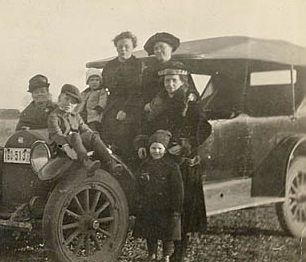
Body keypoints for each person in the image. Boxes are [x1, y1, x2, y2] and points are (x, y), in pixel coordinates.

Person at [144, 61, 212, 262]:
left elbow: (204, 129)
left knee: (184, 210)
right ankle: (165, 254)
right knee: (167, 209)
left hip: (185, 164)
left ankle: (180, 255)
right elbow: (149, 126)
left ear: (182, 81)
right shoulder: (159, 103)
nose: (170, 84)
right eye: (167, 80)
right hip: (164, 163)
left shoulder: (190, 103)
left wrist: (185, 146)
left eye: (174, 80)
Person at [48, 84, 122, 175]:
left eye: (73, 102)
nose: (69, 104)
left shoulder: (75, 115)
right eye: (66, 99)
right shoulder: (54, 116)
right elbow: (56, 135)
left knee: (92, 135)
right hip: (61, 146)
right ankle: (86, 162)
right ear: (60, 99)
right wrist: (67, 149)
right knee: (75, 135)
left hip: (78, 144)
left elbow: (85, 130)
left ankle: (110, 162)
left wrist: (102, 145)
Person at [135, 129, 183, 262]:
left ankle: (166, 256)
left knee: (168, 234)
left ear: (165, 149)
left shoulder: (172, 167)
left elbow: (178, 189)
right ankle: (152, 255)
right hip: (150, 205)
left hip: (166, 207)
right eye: (153, 148)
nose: (156, 151)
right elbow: (139, 184)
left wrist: (176, 209)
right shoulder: (146, 164)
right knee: (151, 233)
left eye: (159, 148)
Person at [100, 31, 144, 161]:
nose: (123, 49)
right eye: (120, 47)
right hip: (113, 102)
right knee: (106, 132)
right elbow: (104, 85)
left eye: (127, 46)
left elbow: (137, 90)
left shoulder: (137, 64)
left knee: (125, 134)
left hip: (132, 103)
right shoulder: (110, 65)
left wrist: (126, 109)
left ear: (133, 47)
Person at [141, 32, 199, 109]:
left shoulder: (180, 67)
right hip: (155, 110)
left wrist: (192, 95)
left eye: (162, 47)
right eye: (156, 49)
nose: (158, 51)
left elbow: (191, 89)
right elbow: (143, 93)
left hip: (178, 107)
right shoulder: (148, 71)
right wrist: (147, 105)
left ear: (171, 48)